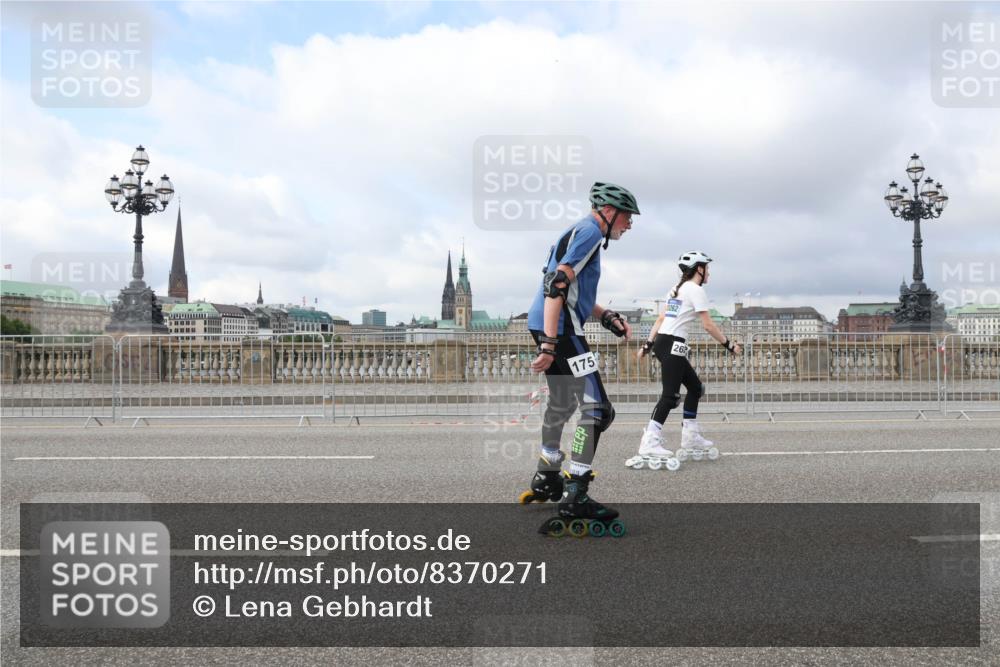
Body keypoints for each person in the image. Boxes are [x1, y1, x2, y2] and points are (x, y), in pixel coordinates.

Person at [518, 182, 638, 535]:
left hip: (542, 324)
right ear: (608, 211)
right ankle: (576, 491)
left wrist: (604, 315)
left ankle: (547, 474)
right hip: (564, 332)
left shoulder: (575, 232)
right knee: (597, 409)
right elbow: (557, 285)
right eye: (627, 217)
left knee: (561, 403)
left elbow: (566, 287)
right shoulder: (588, 232)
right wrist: (552, 344)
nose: (629, 224)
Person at [632, 251, 742, 464]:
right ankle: (649, 441)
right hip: (673, 343)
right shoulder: (695, 290)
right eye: (707, 268)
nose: (709, 272)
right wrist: (729, 345)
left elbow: (661, 319)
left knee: (695, 388)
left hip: (667, 342)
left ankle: (690, 436)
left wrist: (648, 344)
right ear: (699, 269)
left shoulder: (676, 289)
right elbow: (708, 325)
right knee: (671, 396)